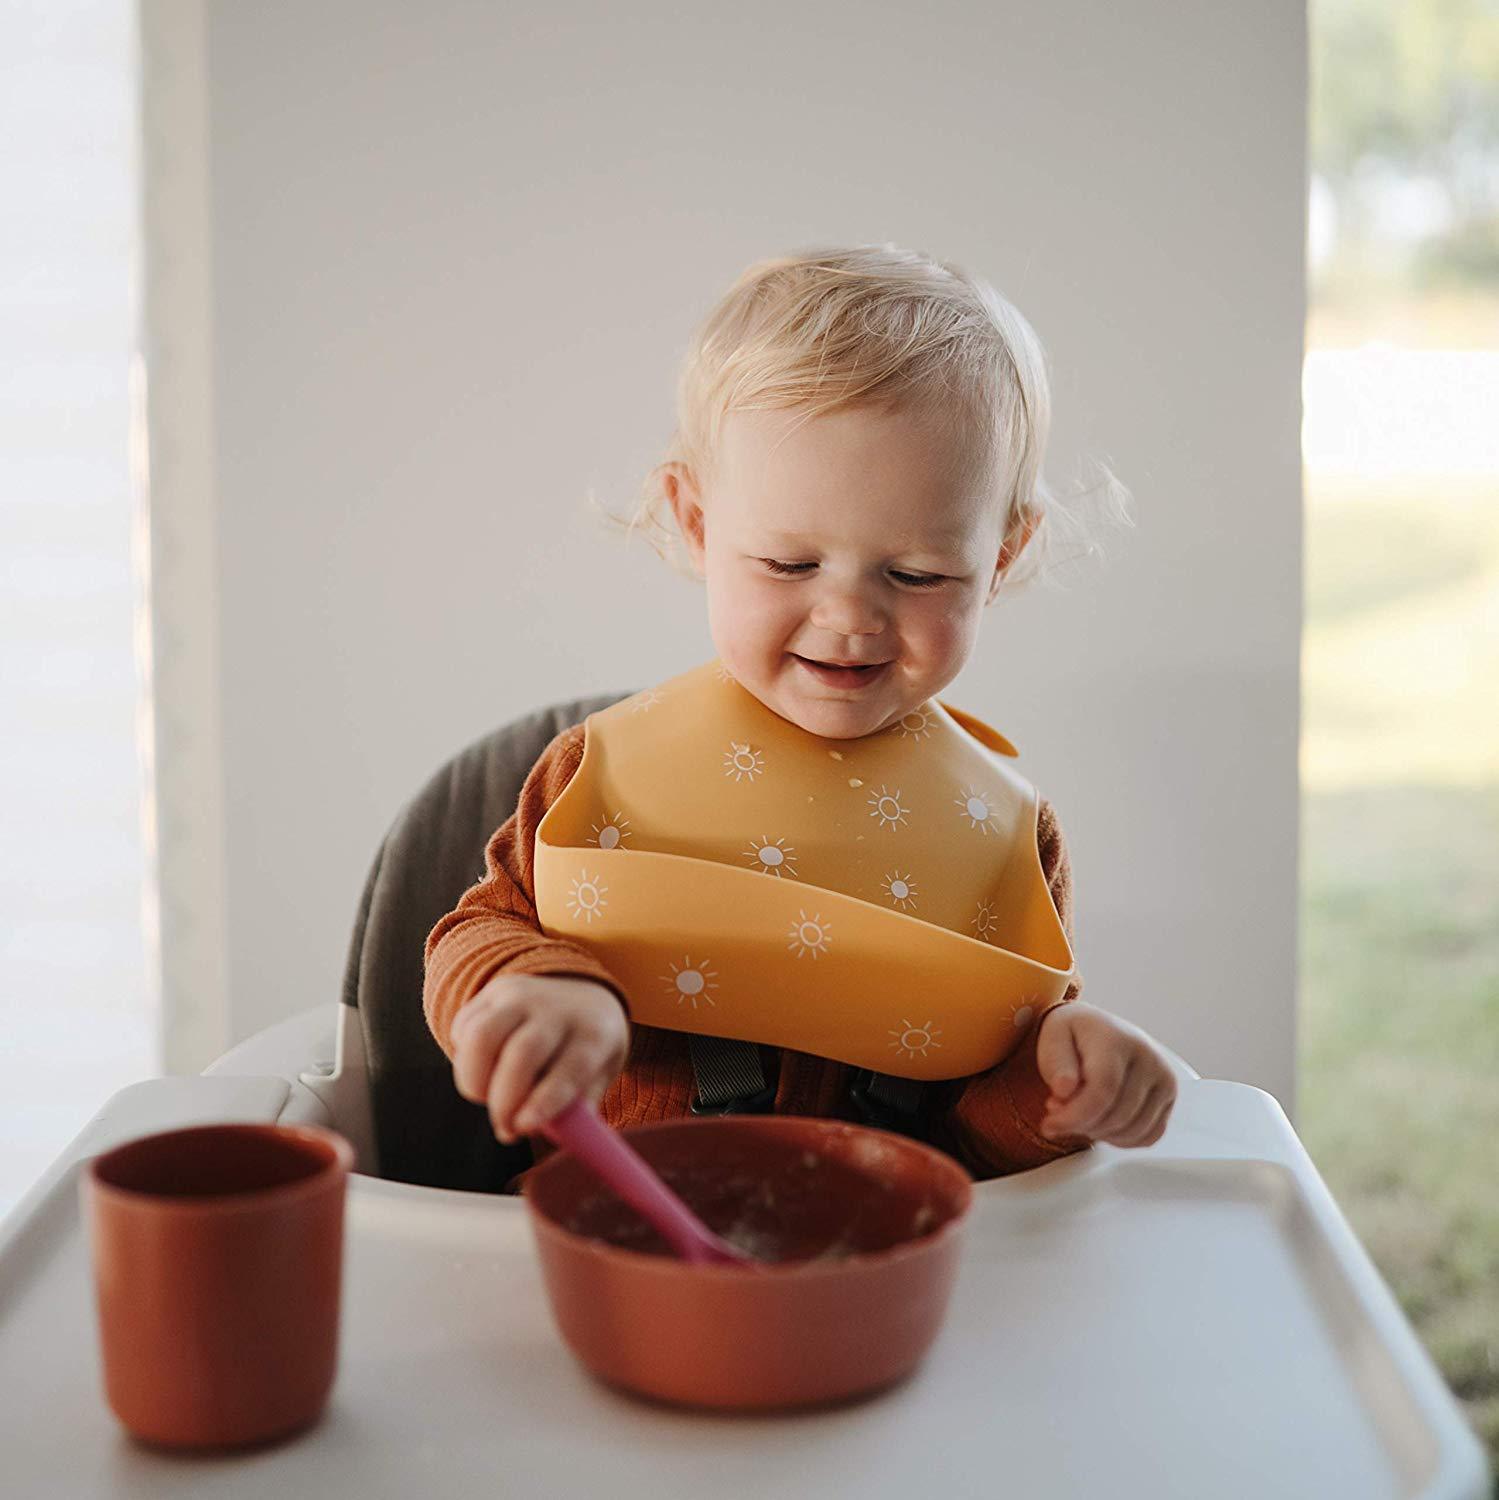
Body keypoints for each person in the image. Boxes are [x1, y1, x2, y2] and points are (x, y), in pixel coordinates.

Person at [423, 243, 1177, 1181]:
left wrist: (1059, 1086)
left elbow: (983, 1139)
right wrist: (533, 990)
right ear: (697, 523)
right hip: (624, 1236)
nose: (849, 617)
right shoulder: (603, 777)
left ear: (1002, 558)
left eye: (917, 575)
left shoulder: (1003, 840)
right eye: (789, 564)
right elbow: (473, 932)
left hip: (881, 1255)